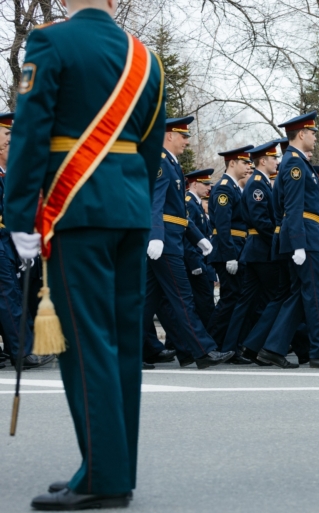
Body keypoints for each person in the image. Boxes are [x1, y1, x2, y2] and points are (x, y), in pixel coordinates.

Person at [5, 1, 165, 508]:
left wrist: (20, 217)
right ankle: (113, 467)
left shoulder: (52, 42)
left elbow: (30, 135)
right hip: (130, 211)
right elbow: (151, 148)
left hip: (75, 210)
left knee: (87, 344)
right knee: (120, 344)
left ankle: (102, 477)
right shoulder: (146, 58)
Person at [259, 112, 319, 368]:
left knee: (300, 297)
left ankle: (273, 348)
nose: (315, 138)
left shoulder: (298, 163)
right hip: (303, 239)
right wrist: (300, 243)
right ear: (301, 134)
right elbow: (293, 208)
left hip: (308, 236)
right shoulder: (295, 164)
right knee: (315, 296)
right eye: (313, 133)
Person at [142, 117, 234, 370]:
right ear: (169, 136)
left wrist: (198, 237)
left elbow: (178, 210)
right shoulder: (161, 162)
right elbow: (155, 203)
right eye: (183, 136)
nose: (186, 141)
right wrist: (157, 236)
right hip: (165, 244)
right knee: (183, 298)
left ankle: (133, 349)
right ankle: (202, 351)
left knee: (147, 301)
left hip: (170, 240)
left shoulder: (172, 164)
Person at [0, 112, 54, 370]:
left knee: (13, 296)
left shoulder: (7, 175)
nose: (12, 145)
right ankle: (22, 353)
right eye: (8, 139)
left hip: (7, 242)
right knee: (10, 298)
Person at [221, 141, 281, 355]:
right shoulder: (258, 183)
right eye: (274, 158)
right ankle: (258, 345)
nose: (277, 162)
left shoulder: (259, 182)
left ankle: (234, 347)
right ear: (263, 161)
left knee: (246, 302)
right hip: (261, 251)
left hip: (255, 250)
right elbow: (260, 220)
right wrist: (277, 239)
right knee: (278, 296)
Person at [206, 145, 254, 364]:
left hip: (237, 247)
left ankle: (228, 347)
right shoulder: (224, 188)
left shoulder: (235, 188)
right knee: (229, 299)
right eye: (245, 162)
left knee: (234, 299)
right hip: (229, 249)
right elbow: (223, 226)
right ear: (232, 163)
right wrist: (229, 256)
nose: (249, 166)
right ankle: (211, 345)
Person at [184, 168, 216, 327]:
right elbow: (187, 236)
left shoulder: (196, 203)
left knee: (205, 301)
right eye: (206, 184)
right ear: (195, 184)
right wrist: (195, 262)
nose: (209, 188)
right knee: (202, 303)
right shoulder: (189, 203)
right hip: (195, 262)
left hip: (202, 260)